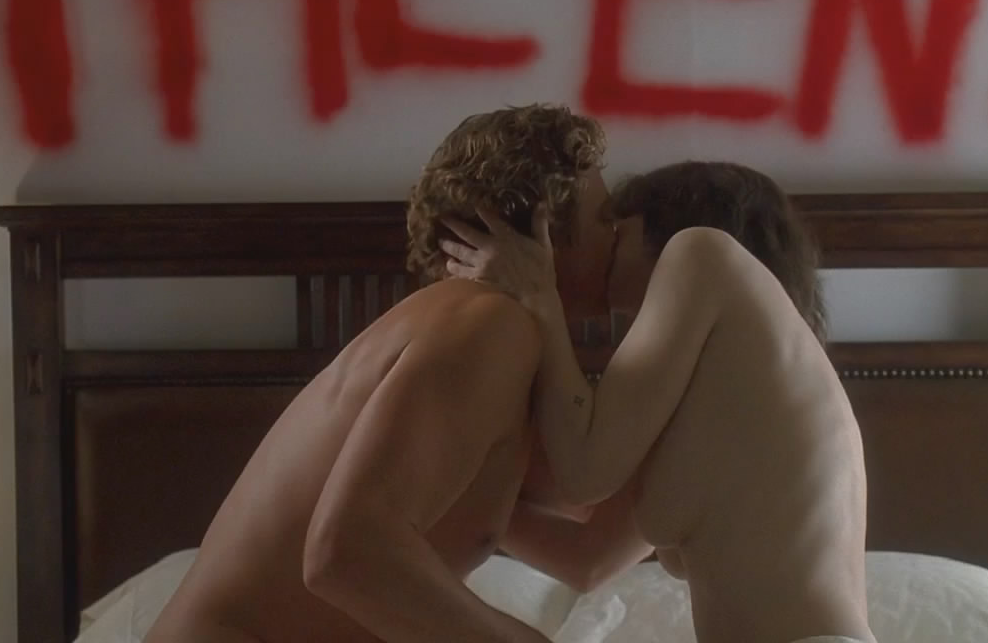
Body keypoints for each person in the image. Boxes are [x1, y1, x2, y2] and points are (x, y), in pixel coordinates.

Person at [144, 104, 652, 643]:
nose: (618, 237)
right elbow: (344, 554)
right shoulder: (488, 328)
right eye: (604, 219)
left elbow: (592, 548)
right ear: (545, 227)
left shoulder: (502, 349)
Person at [442, 161, 876, 643]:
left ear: (666, 223)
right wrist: (452, 494)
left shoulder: (701, 250)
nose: (605, 247)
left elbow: (583, 472)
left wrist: (539, 297)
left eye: (617, 230)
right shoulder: (723, 400)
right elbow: (589, 556)